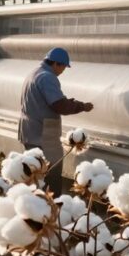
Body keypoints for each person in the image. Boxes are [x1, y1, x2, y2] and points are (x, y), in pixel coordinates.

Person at [18, 47, 94, 193]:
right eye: (64, 67)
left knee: (35, 176)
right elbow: (60, 105)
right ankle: (53, 209)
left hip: (30, 133)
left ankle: (35, 208)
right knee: (51, 176)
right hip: (43, 137)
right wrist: (82, 106)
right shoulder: (47, 77)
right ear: (56, 64)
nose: (63, 71)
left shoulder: (34, 73)